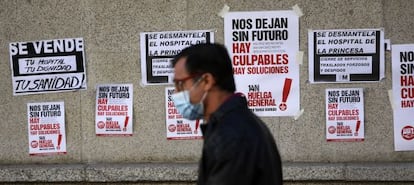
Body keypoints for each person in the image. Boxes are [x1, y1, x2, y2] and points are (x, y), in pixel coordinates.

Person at [171, 43, 283, 185]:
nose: (175, 93)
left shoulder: (232, 135)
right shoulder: (236, 123)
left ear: (206, 81)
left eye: (180, 84)